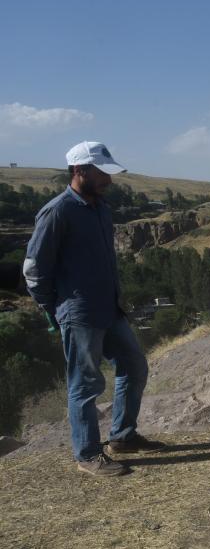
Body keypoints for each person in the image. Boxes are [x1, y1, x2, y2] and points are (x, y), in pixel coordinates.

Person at [23, 142, 161, 477]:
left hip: (109, 307)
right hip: (79, 313)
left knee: (133, 365)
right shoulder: (57, 212)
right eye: (101, 174)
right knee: (85, 385)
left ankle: (123, 438)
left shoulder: (101, 207)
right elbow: (33, 269)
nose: (108, 182)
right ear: (79, 171)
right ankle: (87, 454)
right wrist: (53, 308)